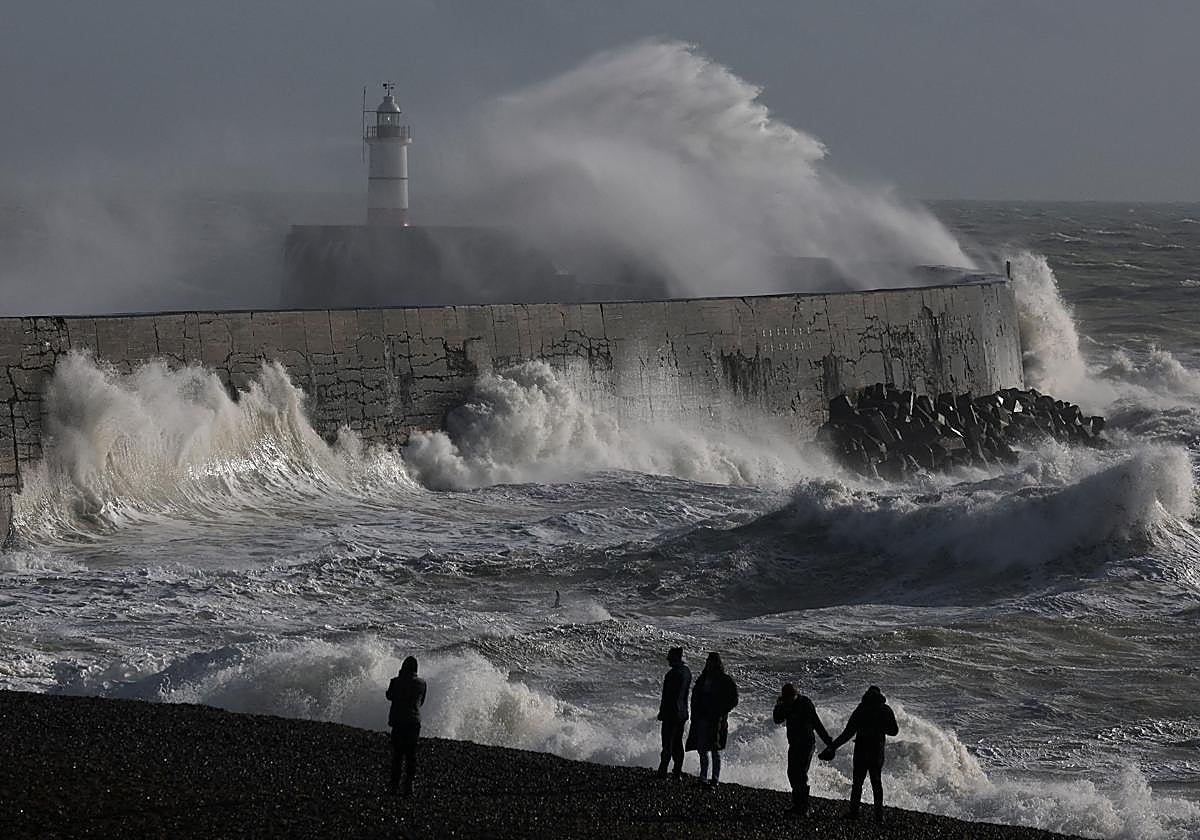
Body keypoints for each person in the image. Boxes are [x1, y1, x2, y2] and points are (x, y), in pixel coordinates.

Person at [821, 685, 899, 823]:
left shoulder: (861, 710)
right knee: (876, 782)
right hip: (877, 751)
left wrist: (832, 747)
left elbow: (847, 733)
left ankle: (854, 812)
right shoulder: (885, 710)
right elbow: (894, 731)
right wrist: (881, 727)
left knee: (857, 783)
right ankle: (878, 816)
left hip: (861, 751)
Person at [773, 683, 832, 816]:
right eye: (786, 698)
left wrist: (828, 742)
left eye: (790, 697)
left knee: (800, 773)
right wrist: (778, 705)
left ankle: (803, 807)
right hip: (794, 744)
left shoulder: (805, 704)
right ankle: (798, 804)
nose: (789, 700)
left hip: (807, 744)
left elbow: (817, 724)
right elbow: (777, 719)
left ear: (796, 695)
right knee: (792, 773)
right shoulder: (785, 705)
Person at [685, 652, 738, 788]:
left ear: (717, 663)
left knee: (715, 750)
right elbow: (695, 696)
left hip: (716, 721)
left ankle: (715, 779)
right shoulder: (703, 678)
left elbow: (734, 699)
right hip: (702, 718)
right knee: (702, 749)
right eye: (708, 660)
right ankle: (703, 778)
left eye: (711, 661)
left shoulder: (725, 680)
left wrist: (720, 712)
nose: (709, 663)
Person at [386, 655, 427, 796]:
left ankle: (393, 786)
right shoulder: (422, 683)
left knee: (397, 755)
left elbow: (389, 696)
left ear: (403, 667)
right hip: (414, 722)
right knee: (411, 756)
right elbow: (421, 702)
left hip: (398, 722)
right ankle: (408, 787)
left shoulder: (396, 681)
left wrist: (399, 677)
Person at [655, 646, 692, 778]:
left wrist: (661, 712)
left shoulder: (672, 674)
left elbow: (667, 697)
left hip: (671, 713)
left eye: (670, 656)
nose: (668, 659)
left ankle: (662, 770)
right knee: (677, 743)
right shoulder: (687, 672)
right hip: (682, 713)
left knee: (667, 743)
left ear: (676, 658)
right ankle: (677, 770)